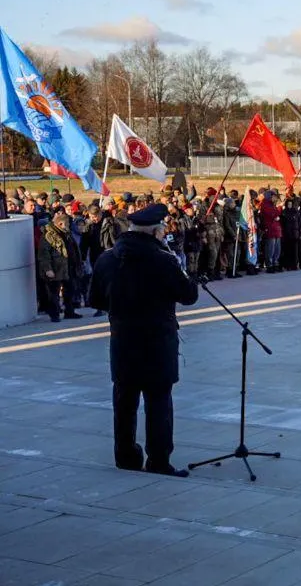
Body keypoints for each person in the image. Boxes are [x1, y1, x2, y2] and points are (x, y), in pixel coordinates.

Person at [88, 203, 199, 477]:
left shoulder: (107, 259)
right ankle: (158, 460)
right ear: (155, 231)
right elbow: (188, 296)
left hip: (123, 341)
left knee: (124, 402)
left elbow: (96, 299)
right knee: (158, 403)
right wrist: (187, 274)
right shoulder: (164, 260)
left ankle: (125, 457)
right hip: (157, 343)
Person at [37, 211, 82, 322]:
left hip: (68, 267)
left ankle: (69, 312)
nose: (69, 225)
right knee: (54, 293)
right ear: (60, 224)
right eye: (67, 223)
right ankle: (54, 314)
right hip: (55, 268)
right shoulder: (48, 236)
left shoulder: (67, 233)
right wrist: (48, 269)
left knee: (70, 290)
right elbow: (44, 255)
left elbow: (73, 249)